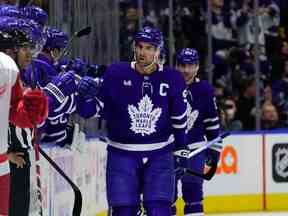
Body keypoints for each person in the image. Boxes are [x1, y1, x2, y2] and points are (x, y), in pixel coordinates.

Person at [77, 26, 189, 216]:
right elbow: (89, 111)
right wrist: (84, 96)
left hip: (160, 154)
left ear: (158, 51)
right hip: (122, 154)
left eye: (149, 48)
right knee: (124, 211)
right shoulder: (115, 73)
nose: (142, 52)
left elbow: (179, 120)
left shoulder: (172, 78)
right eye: (139, 46)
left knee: (160, 210)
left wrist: (182, 150)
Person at [0, 19, 48, 216]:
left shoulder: (19, 75)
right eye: (23, 48)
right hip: (12, 159)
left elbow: (16, 115)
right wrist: (6, 154)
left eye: (30, 47)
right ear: (10, 50)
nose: (29, 53)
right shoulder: (8, 71)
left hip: (16, 159)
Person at [173, 48, 222, 215]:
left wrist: (214, 155)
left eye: (191, 65)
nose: (186, 70)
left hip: (195, 149)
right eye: (182, 65)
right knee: (165, 197)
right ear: (176, 65)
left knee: (193, 194)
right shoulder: (166, 86)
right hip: (168, 150)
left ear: (197, 66)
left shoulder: (204, 89)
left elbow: (212, 124)